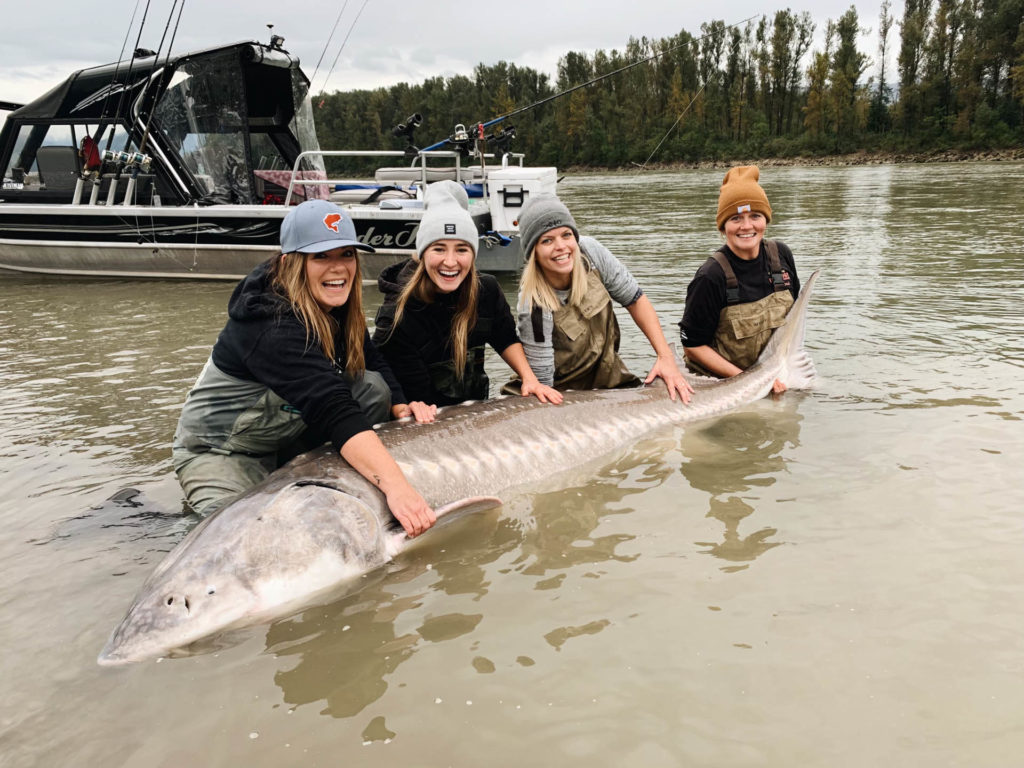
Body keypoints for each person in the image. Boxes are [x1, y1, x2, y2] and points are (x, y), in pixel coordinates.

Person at [172, 199, 436, 537]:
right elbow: (333, 409)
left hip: (284, 436)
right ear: (290, 263)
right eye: (321, 256)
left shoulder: (333, 301)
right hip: (224, 452)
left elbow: (369, 357)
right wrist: (399, 488)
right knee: (239, 538)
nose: (338, 268)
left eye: (346, 254)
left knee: (373, 388)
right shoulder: (270, 324)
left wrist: (401, 405)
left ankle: (317, 467)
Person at [373, 181, 562, 407]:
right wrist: (403, 406)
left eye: (462, 249)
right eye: (439, 249)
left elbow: (505, 338)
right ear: (422, 254)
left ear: (473, 255)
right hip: (422, 411)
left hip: (472, 407)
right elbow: (387, 375)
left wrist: (530, 379)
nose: (450, 262)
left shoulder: (487, 289)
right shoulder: (397, 311)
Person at [511, 193, 692, 401]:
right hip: (564, 393)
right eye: (547, 240)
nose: (561, 246)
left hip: (609, 377)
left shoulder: (590, 252)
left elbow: (635, 299)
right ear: (533, 251)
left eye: (566, 235)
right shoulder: (533, 303)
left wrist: (665, 357)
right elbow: (543, 384)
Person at [678, 165, 801, 395]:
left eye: (755, 216)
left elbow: (792, 323)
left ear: (766, 219)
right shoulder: (710, 276)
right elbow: (693, 346)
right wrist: (752, 381)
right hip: (718, 388)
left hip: (772, 378)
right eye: (736, 218)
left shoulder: (781, 255)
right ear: (723, 228)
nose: (746, 226)